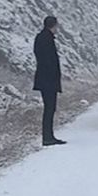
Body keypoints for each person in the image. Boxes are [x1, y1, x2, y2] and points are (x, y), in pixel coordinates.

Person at [33, 16, 66, 146]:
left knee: (49, 108)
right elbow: (49, 61)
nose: (57, 28)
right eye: (57, 26)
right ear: (53, 25)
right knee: (49, 108)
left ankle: (49, 136)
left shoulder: (41, 37)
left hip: (44, 79)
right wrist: (53, 76)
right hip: (48, 80)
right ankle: (47, 137)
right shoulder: (47, 39)